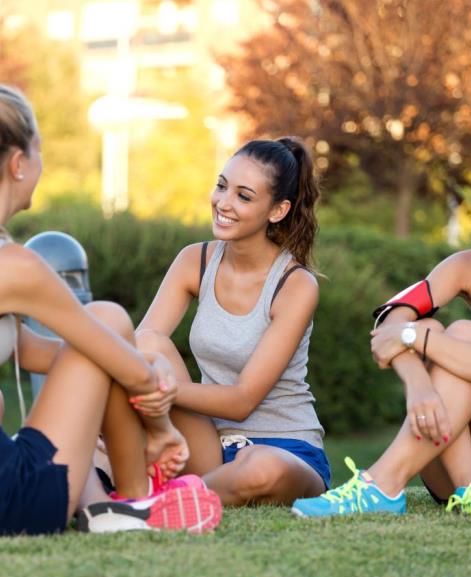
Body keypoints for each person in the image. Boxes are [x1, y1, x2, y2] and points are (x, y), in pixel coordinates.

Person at [0, 81, 221, 538]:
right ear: (18, 164)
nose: (40, 163)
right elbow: (111, 354)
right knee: (108, 318)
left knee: (108, 342)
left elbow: (48, 355)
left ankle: (111, 508)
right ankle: (133, 502)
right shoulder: (7, 264)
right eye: (37, 151)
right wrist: (160, 428)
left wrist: (137, 363)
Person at [292, 129, 471, 519]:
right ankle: (470, 491)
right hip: (462, 467)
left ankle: (382, 484)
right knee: (444, 334)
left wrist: (417, 337)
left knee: (454, 333)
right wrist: (418, 386)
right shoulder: (470, 267)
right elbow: (389, 318)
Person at [133, 137, 331, 507]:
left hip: (285, 448)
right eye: (222, 186)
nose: (223, 203)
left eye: (243, 196)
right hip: (209, 442)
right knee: (146, 343)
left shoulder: (295, 284)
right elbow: (140, 345)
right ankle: (177, 486)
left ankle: (152, 502)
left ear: (277, 210)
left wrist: (160, 389)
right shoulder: (195, 260)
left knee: (259, 467)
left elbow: (242, 401)